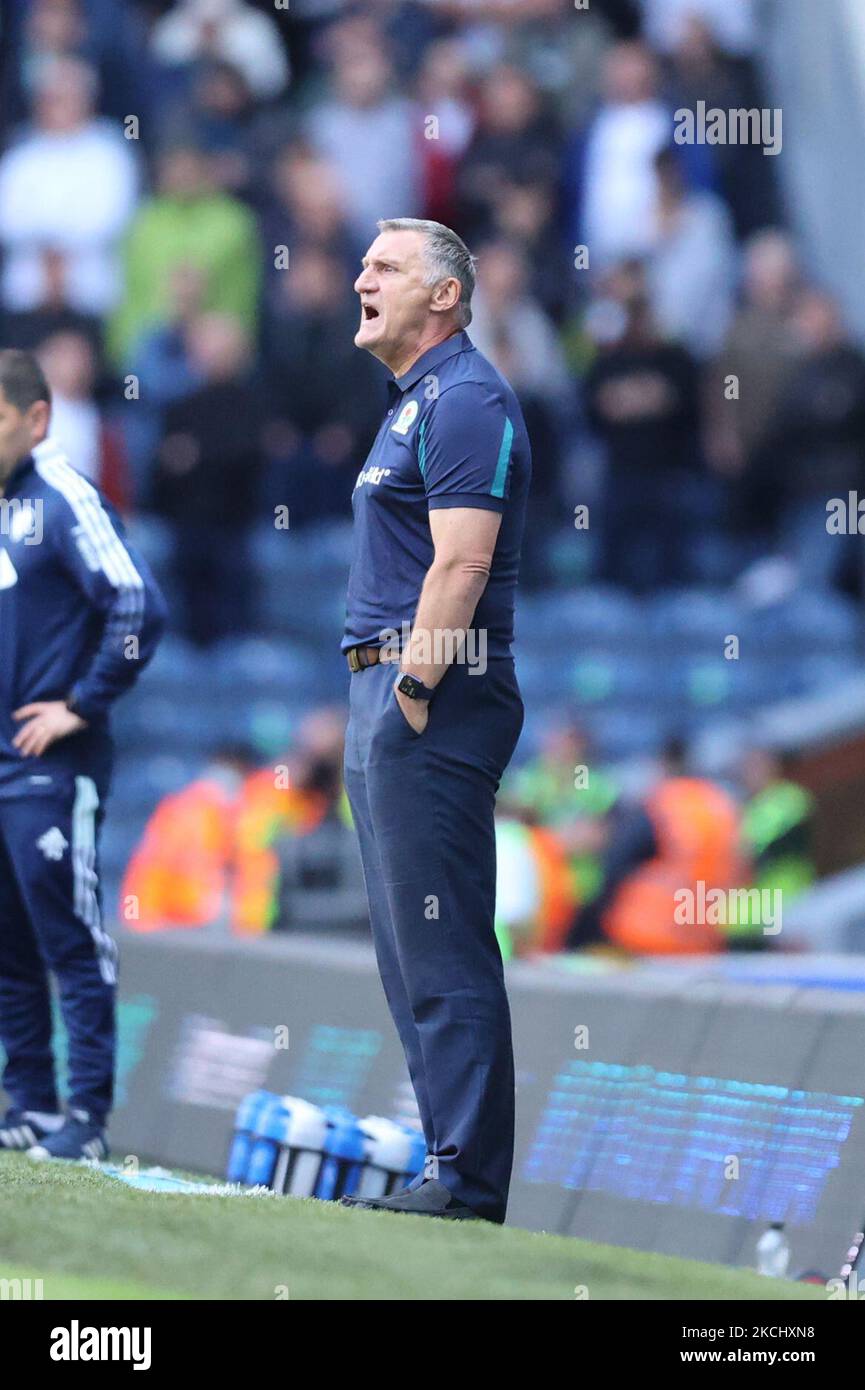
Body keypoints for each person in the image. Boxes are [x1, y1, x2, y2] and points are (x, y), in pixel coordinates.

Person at [339, 218, 530, 1223]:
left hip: (434, 693)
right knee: (406, 951)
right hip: (383, 685)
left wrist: (410, 693)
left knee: (441, 941)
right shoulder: (412, 404)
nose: (357, 278)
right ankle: (447, 1164)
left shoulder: (465, 400)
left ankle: (467, 1185)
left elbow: (460, 564)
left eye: (383, 268)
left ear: (443, 297)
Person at [0, 349, 166, 1159]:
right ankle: (26, 1103)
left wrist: (79, 704)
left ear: (36, 419)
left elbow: (137, 601)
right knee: (7, 942)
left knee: (70, 936)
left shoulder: (64, 495)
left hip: (49, 768)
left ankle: (88, 1119)